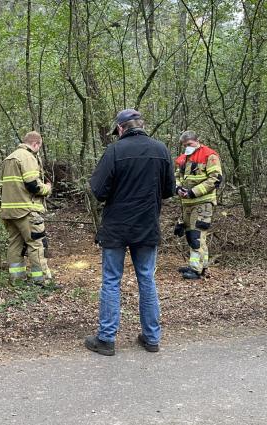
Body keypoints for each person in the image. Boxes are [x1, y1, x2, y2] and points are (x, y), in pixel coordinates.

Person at [84, 109, 175, 356]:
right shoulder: (161, 150)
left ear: (121, 128)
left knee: (112, 281)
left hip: (116, 227)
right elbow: (169, 190)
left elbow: (99, 190)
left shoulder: (114, 151)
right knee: (146, 279)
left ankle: (106, 339)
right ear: (141, 125)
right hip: (147, 225)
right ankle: (152, 338)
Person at [0, 131, 54, 288]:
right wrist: (47, 188)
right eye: (39, 146)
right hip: (26, 211)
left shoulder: (8, 158)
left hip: (9, 212)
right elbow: (33, 185)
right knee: (36, 244)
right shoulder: (27, 157)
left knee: (15, 245)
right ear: (36, 144)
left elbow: (2, 188)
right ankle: (41, 280)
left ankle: (17, 279)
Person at [173, 131, 223, 280]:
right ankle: (200, 266)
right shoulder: (182, 159)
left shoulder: (209, 155)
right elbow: (177, 177)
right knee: (191, 236)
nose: (187, 147)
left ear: (197, 141)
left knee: (197, 236)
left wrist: (193, 192)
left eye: (189, 144)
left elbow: (215, 179)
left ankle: (196, 269)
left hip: (202, 203)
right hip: (187, 204)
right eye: (184, 145)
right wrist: (178, 188)